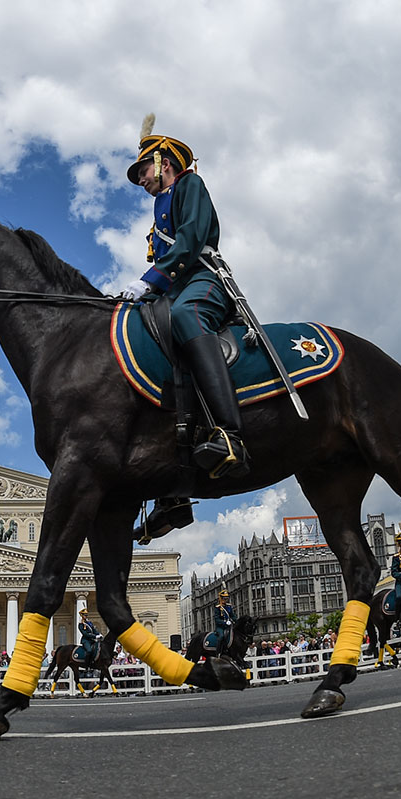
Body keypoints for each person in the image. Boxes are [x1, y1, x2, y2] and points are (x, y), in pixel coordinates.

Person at [122, 115, 249, 540]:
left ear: (164, 163)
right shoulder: (160, 205)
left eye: (143, 169)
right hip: (173, 287)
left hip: (203, 280)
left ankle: (229, 435)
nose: (141, 179)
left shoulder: (190, 186)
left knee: (185, 317)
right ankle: (169, 493)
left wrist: (148, 283)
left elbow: (191, 241)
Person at [204, 589, 235, 655]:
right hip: (221, 627)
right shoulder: (218, 608)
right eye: (224, 598)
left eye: (227, 598)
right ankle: (218, 652)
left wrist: (235, 621)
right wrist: (225, 622)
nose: (226, 600)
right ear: (221, 598)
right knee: (221, 636)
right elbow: (217, 619)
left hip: (229, 626)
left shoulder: (229, 606)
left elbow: (232, 616)